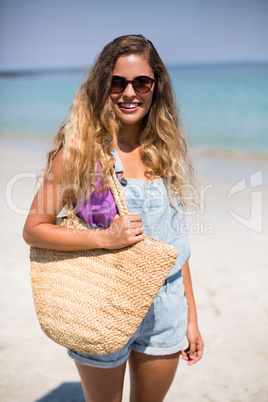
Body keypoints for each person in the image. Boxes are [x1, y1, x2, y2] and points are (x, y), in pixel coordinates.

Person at [23, 34, 204, 402]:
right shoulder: (80, 153)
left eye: (142, 82)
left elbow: (176, 245)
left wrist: (190, 316)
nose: (129, 93)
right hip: (102, 302)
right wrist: (102, 238)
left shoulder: (163, 154)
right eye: (117, 82)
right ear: (103, 86)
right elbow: (33, 230)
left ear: (156, 87)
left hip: (165, 308)